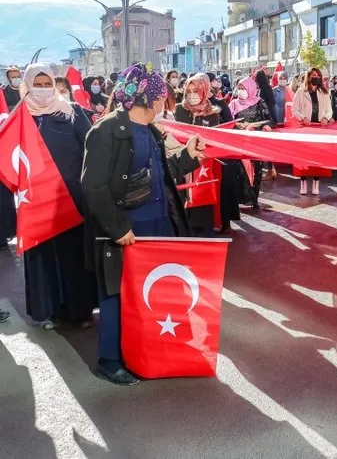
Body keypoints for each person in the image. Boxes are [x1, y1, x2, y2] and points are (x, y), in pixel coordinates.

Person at [82, 63, 204, 385]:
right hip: (125, 232)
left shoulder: (151, 131)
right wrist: (118, 228)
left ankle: (152, 350)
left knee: (158, 293)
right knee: (117, 295)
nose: (165, 104)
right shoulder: (104, 131)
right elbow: (93, 187)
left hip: (160, 226)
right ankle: (110, 360)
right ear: (150, 100)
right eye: (162, 98)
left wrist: (189, 156)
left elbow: (162, 174)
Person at [19, 63, 98, 331]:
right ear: (28, 85)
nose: (42, 90)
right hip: (38, 202)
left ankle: (81, 309)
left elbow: (91, 148)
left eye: (46, 83)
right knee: (45, 257)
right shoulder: (21, 117)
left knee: (74, 255)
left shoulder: (71, 112)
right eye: (37, 84)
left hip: (72, 198)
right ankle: (51, 310)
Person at [175, 73, 230, 234]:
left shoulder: (212, 112)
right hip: (181, 164)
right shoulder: (178, 110)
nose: (192, 95)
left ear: (204, 91)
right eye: (189, 91)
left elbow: (215, 140)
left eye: (196, 91)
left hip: (203, 168)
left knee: (202, 210)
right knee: (183, 212)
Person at [230, 76, 273, 209]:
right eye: (239, 88)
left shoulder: (259, 102)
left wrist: (256, 126)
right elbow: (228, 122)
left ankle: (253, 199)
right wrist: (239, 125)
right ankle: (241, 198)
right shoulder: (233, 104)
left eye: (243, 88)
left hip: (255, 141)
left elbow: (268, 120)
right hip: (239, 141)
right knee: (240, 170)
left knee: (257, 170)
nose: (241, 91)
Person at [292, 67, 333, 196]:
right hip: (305, 128)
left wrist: (326, 118)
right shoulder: (300, 91)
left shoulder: (324, 92)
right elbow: (294, 109)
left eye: (318, 75)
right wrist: (302, 118)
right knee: (303, 157)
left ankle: (316, 182)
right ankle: (303, 182)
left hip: (319, 129)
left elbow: (329, 110)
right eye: (313, 75)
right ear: (308, 77)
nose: (316, 77)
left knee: (317, 156)